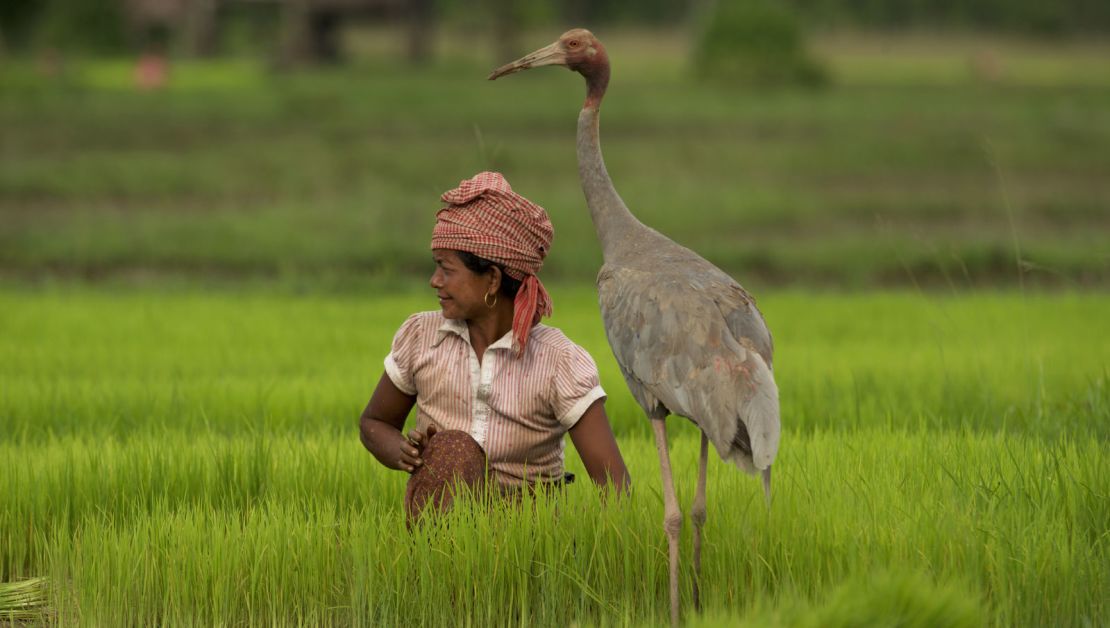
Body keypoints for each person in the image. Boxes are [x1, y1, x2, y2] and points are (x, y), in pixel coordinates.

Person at [358, 172, 630, 519]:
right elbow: (374, 421)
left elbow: (615, 485)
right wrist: (401, 451)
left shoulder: (557, 361)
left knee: (456, 451)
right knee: (454, 451)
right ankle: (435, 567)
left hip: (528, 542)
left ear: (492, 279)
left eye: (446, 269)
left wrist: (610, 556)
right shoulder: (422, 337)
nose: (435, 281)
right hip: (441, 540)